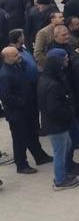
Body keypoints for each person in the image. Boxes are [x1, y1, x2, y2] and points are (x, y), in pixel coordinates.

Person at [0, 45, 50, 174]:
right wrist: (23, 101)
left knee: (32, 134)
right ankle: (21, 164)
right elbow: (6, 97)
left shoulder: (17, 66)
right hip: (17, 114)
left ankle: (40, 156)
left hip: (27, 110)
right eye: (15, 55)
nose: (19, 56)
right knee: (19, 139)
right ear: (7, 58)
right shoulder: (5, 74)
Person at [38, 48, 79, 190]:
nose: (65, 63)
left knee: (66, 146)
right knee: (60, 153)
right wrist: (69, 113)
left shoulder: (45, 79)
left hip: (55, 124)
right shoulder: (52, 85)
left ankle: (62, 174)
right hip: (56, 125)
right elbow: (54, 109)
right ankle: (60, 181)